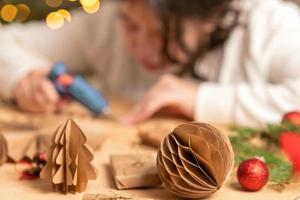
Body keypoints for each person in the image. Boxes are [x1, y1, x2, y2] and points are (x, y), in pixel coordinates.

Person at [0, 0, 299, 127]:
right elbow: (7, 40)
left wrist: (202, 100)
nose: (141, 49)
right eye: (130, 25)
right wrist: (23, 75)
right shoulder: (109, 22)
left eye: (161, 33)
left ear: (212, 16)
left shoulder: (271, 27)